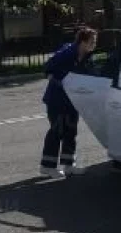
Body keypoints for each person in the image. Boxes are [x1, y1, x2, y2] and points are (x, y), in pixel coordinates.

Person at [40, 27, 98, 178]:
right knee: (57, 131)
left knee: (71, 132)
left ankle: (68, 165)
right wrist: (58, 82)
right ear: (83, 42)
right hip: (56, 99)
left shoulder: (87, 57)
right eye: (92, 41)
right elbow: (48, 67)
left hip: (72, 100)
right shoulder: (67, 53)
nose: (94, 44)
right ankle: (47, 167)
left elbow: (92, 75)